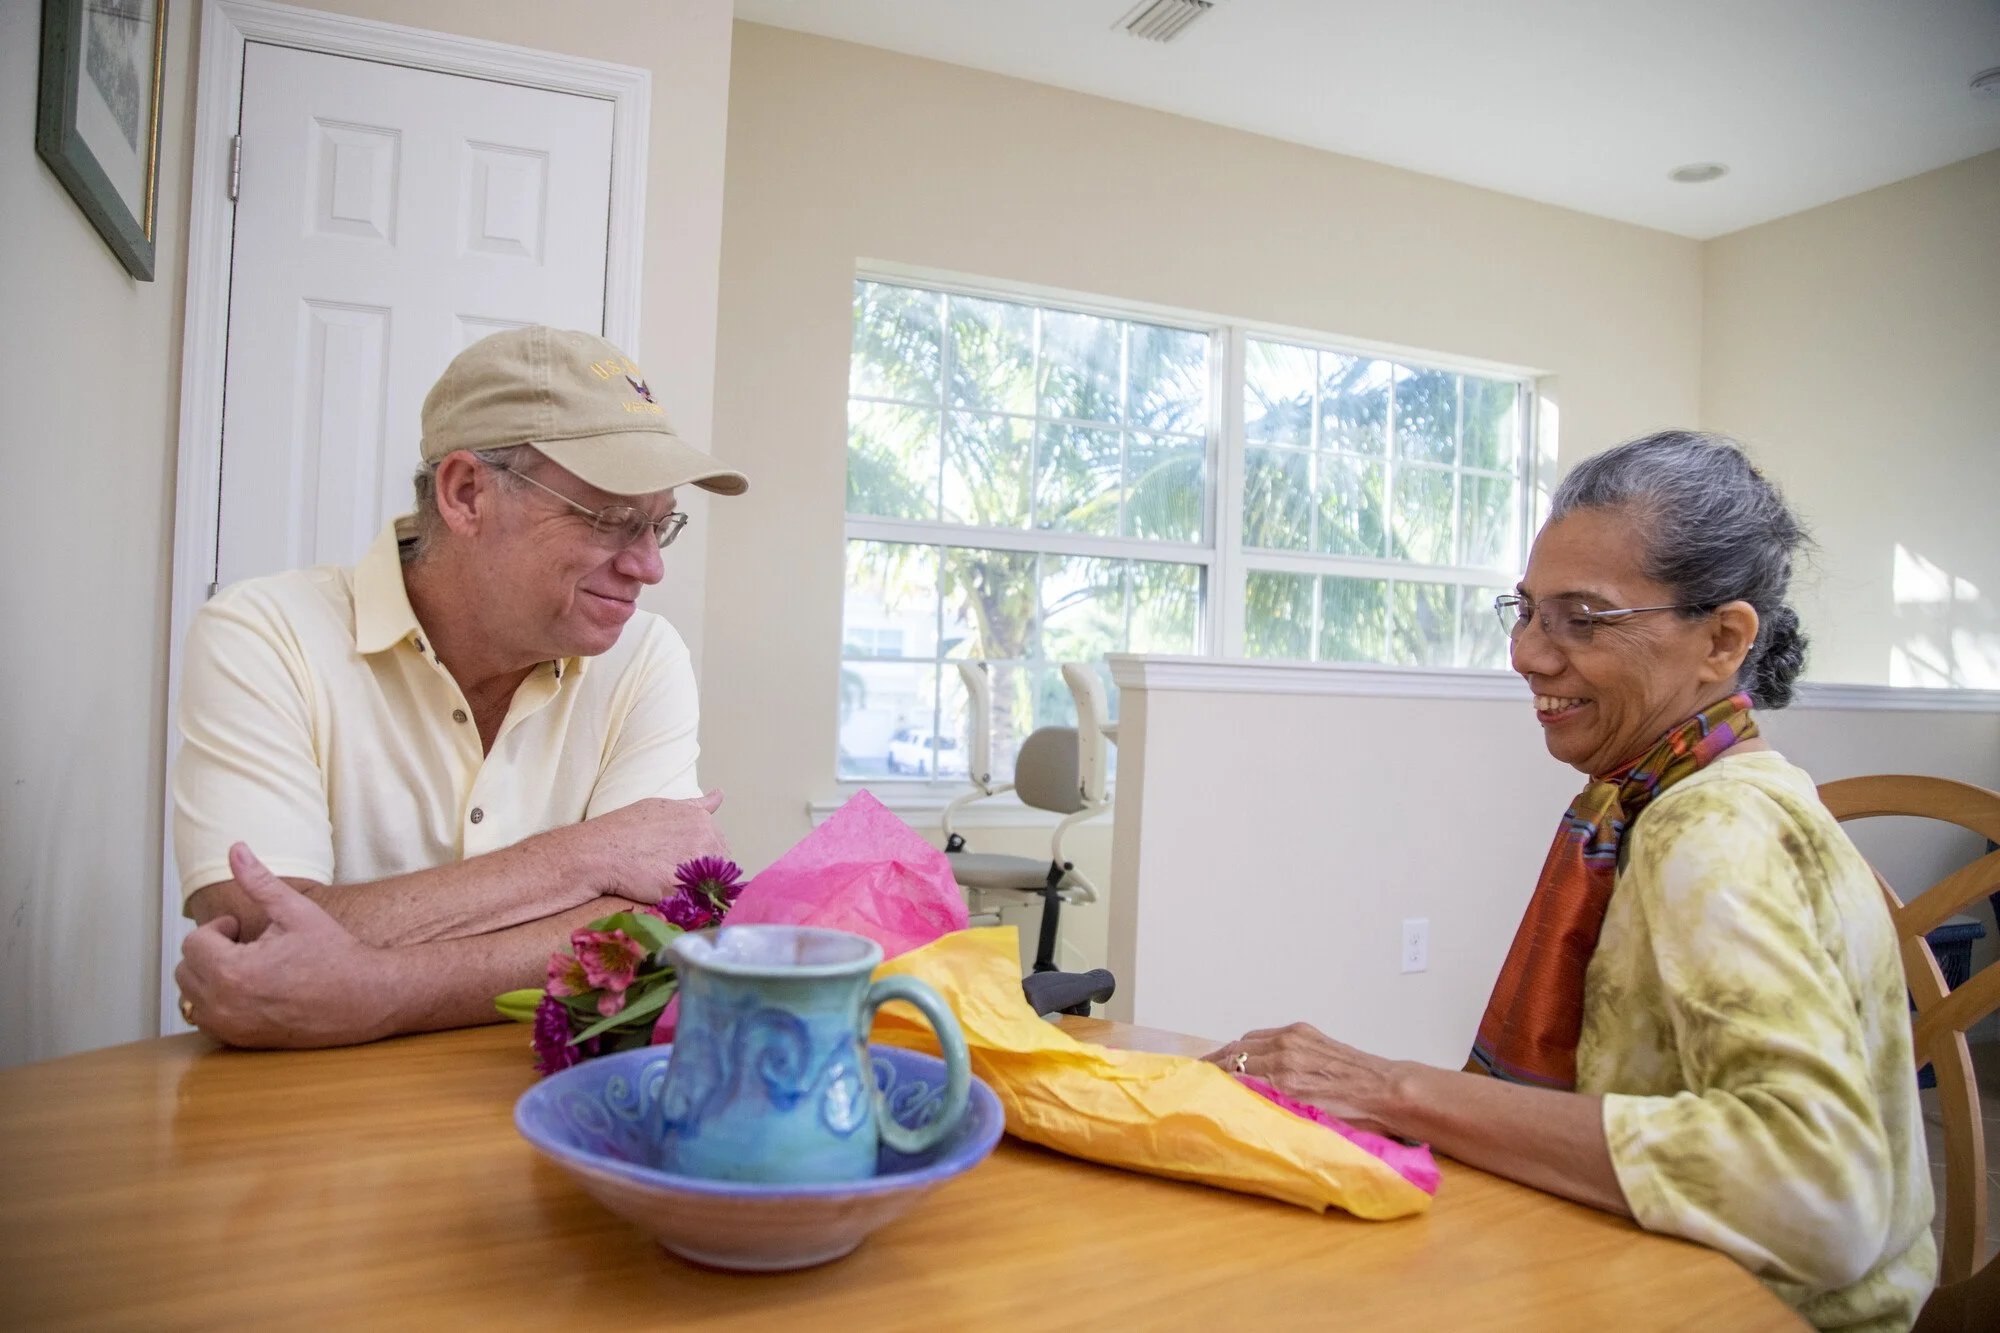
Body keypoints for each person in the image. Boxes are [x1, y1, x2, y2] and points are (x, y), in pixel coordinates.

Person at [1207, 432, 1935, 1332]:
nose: (1527, 653)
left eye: (1582, 619)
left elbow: (1819, 1193)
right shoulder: (1658, 800)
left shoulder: (1713, 831)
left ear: (1722, 639)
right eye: (1526, 611)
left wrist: (1391, 1087)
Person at [171, 326, 748, 1050]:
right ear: (466, 493)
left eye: (662, 526)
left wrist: (384, 989)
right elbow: (261, 934)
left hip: (551, 1094)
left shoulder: (645, 657)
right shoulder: (265, 634)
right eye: (610, 519)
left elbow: (652, 929)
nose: (649, 566)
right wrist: (589, 856)